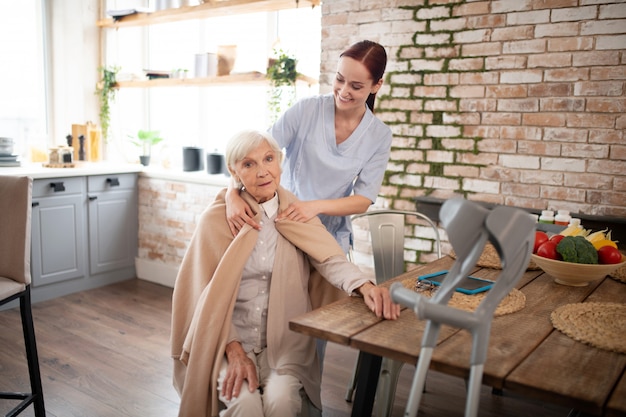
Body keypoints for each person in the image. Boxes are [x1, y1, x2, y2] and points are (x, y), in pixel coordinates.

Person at [171, 130, 400, 417]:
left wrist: (365, 286)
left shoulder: (295, 213)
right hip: (228, 340)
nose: (262, 171)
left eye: (269, 159)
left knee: (281, 401)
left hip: (285, 343)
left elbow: (329, 259)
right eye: (248, 164)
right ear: (234, 172)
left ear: (280, 163)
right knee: (245, 403)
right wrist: (233, 348)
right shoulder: (216, 219)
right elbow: (202, 295)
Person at [226, 40, 391, 254]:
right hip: (282, 222)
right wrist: (232, 195)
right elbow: (253, 151)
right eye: (339, 79)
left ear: (376, 85)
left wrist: (314, 206)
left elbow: (363, 199)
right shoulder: (307, 110)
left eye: (356, 86)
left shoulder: (379, 136)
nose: (343, 91)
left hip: (328, 235)